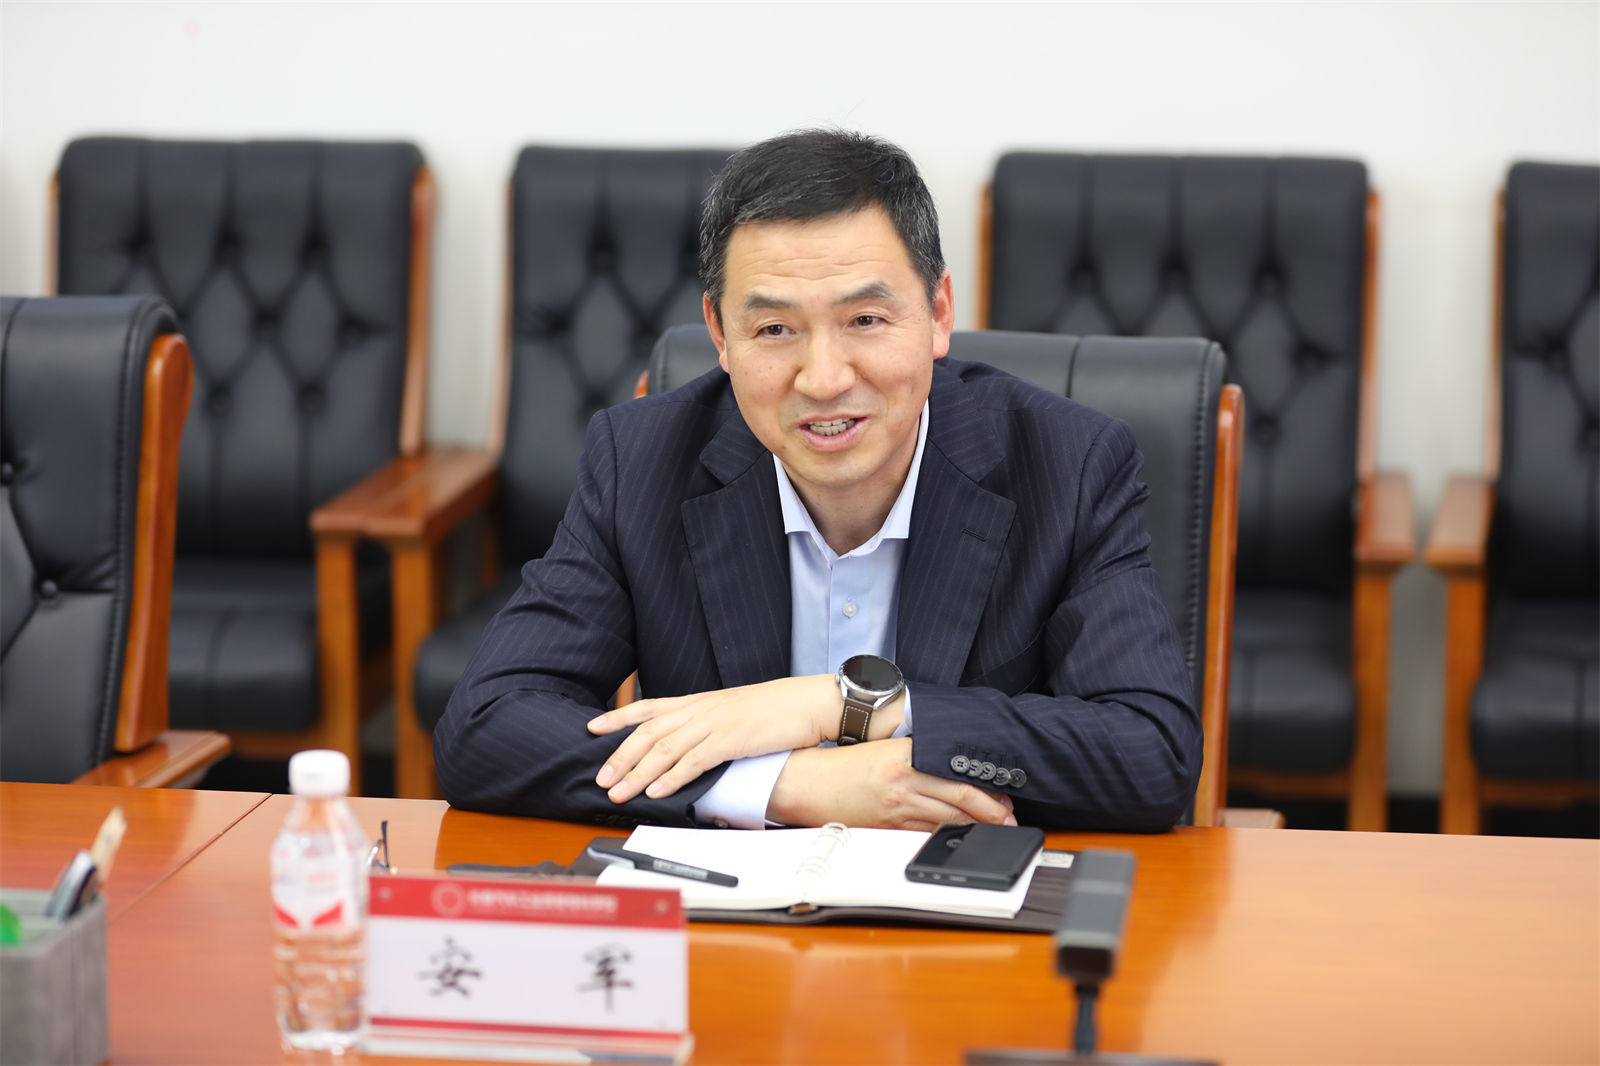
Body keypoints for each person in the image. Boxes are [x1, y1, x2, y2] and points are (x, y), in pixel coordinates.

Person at [434, 130, 1200, 832]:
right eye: (775, 329)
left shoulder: (1067, 464)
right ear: (720, 334)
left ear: (938, 314)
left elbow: (1151, 754)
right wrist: (782, 784)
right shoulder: (642, 461)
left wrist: (839, 706)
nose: (824, 380)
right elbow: (486, 726)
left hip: (960, 908)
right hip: (724, 915)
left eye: (865, 320)